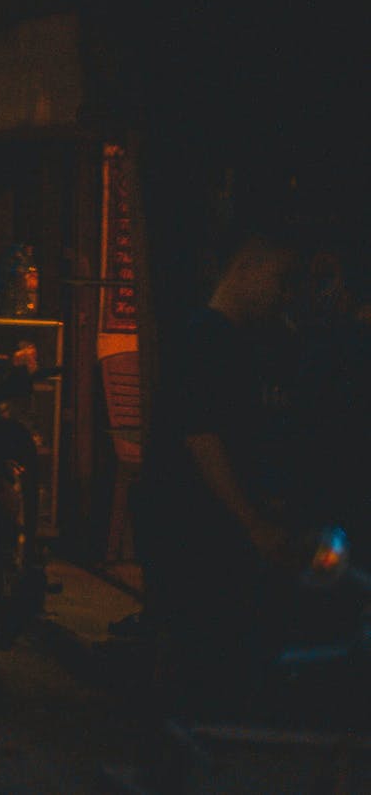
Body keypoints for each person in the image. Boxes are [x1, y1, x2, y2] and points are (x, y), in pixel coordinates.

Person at [139, 233, 305, 711]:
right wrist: (252, 522)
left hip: (202, 523)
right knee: (196, 654)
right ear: (247, 268)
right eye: (280, 279)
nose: (285, 294)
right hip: (191, 524)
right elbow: (202, 435)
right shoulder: (206, 337)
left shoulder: (229, 340)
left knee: (196, 652)